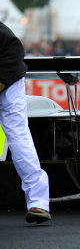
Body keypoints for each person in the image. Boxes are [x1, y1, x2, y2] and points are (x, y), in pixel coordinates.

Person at [0, 21, 51, 223]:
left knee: (18, 136)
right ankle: (39, 202)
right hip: (8, 68)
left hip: (9, 76)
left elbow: (14, 49)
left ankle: (39, 202)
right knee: (18, 136)